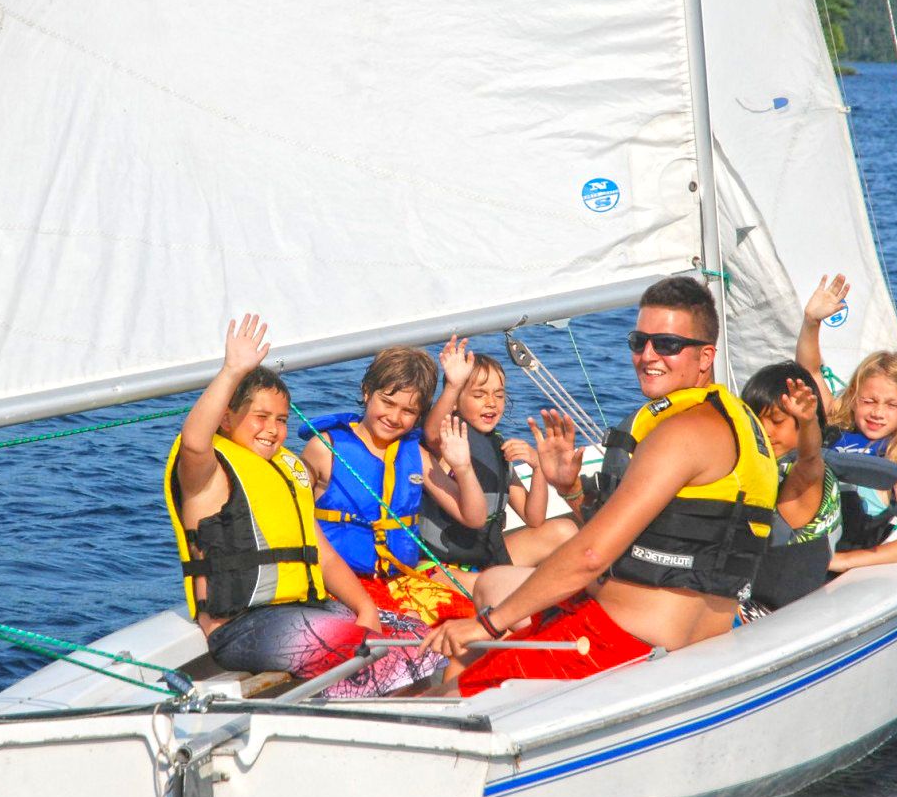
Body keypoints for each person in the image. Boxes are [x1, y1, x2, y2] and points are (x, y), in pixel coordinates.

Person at [423, 276, 778, 694]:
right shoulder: (733, 422)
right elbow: (656, 538)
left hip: (623, 642)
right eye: (639, 340)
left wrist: (487, 623)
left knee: (453, 691)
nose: (648, 355)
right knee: (471, 647)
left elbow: (590, 555)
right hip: (680, 631)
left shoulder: (681, 433)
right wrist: (570, 488)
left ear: (705, 357)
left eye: (666, 344)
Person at [164, 314, 443, 697]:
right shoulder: (207, 474)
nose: (272, 429)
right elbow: (194, 440)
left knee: (421, 641)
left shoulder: (287, 471)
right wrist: (232, 371)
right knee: (377, 656)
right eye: (259, 417)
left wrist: (365, 608)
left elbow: (324, 557)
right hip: (241, 626)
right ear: (226, 417)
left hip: (302, 607)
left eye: (280, 419)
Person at [300, 346, 485, 623]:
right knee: (418, 625)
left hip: (399, 580)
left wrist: (463, 467)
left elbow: (474, 516)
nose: (395, 417)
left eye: (409, 410)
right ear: (367, 392)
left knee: (476, 615)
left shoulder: (416, 456)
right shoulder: (324, 448)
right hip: (342, 588)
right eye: (387, 402)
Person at [416, 336, 576, 592]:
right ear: (456, 401)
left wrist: (538, 469)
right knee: (508, 587)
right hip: (441, 568)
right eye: (479, 394)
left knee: (565, 530)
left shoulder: (499, 449)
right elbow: (433, 433)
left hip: (486, 559)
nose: (491, 402)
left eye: (499, 395)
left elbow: (533, 518)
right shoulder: (449, 440)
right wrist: (452, 385)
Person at [796, 275, 897, 570]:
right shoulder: (835, 427)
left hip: (840, 556)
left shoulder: (896, 458)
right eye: (869, 401)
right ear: (854, 398)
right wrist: (811, 322)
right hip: (802, 544)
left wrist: (841, 561)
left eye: (891, 405)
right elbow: (810, 372)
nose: (877, 412)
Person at [740, 361, 839, 612]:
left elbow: (810, 457)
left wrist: (807, 422)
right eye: (757, 422)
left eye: (777, 421)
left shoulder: (804, 477)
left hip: (774, 613)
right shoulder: (756, 467)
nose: (767, 431)